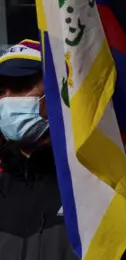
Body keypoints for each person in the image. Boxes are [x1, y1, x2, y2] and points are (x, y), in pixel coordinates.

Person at [0, 40, 78, 260]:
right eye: (0, 90)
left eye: (20, 86)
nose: (7, 100)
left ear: (55, 90)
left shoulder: (92, 181)